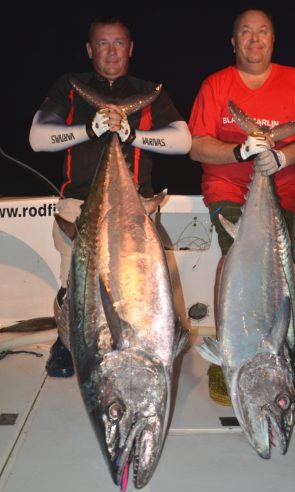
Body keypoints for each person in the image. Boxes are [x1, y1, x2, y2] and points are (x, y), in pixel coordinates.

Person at [29, 16, 192, 378]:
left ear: (130, 49)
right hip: (80, 206)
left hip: (134, 206)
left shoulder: (150, 90)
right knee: (75, 280)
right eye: (103, 43)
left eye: (119, 43)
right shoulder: (70, 87)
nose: (112, 51)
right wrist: (89, 129)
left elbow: (183, 141)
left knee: (138, 281)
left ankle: (140, 337)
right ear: (90, 50)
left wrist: (133, 135)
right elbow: (37, 138)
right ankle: (66, 339)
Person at [188, 8, 295, 404]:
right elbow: (197, 145)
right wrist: (240, 150)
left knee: (278, 275)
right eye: (245, 33)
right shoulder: (215, 85)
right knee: (234, 261)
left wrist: (281, 158)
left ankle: (285, 357)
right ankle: (228, 353)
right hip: (226, 190)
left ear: (273, 40)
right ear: (233, 42)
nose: (254, 39)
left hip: (279, 190)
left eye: (262, 32)